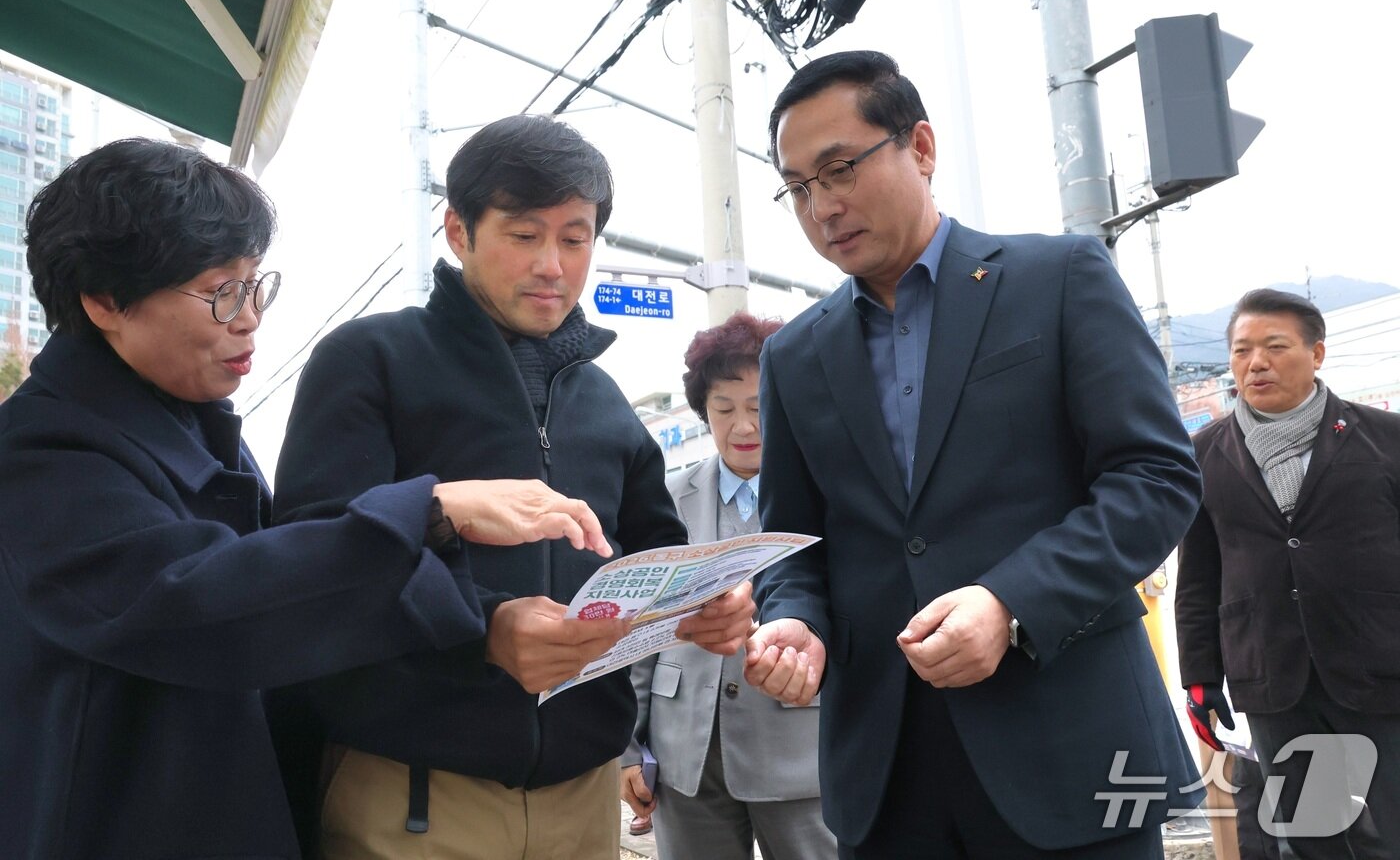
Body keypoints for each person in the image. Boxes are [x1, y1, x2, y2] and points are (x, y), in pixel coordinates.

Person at [0, 138, 614, 859]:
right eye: (221, 290)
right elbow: (200, 602)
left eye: (257, 284)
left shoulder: (191, 423)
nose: (250, 316)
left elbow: (307, 588)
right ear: (105, 301)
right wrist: (431, 510)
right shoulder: (45, 449)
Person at [742, 50, 1204, 859]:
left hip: (1071, 744)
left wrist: (1010, 600)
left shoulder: (1057, 277)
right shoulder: (794, 355)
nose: (822, 206)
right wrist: (792, 620)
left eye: (840, 168)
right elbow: (794, 545)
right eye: (797, 187)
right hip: (886, 773)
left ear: (919, 147)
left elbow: (1156, 479)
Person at [272, 114, 755, 860]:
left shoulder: (606, 401)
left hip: (583, 792)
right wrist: (487, 629)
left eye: (575, 236)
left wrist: (701, 603)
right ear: (459, 231)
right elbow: (317, 560)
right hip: (418, 792)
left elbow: (655, 548)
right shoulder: (370, 360)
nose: (553, 265)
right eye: (525, 235)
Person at [1176, 288, 1400, 858]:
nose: (1256, 363)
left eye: (1276, 347)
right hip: (1274, 674)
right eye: (1242, 350)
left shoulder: (1385, 440)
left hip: (1380, 663)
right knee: (1311, 833)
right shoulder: (1203, 453)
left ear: (1317, 353)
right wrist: (1199, 676)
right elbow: (1198, 576)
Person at [622, 313, 836, 860]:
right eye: (724, 409)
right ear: (704, 413)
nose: (743, 427)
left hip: (799, 750)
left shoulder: (828, 494)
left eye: (760, 408)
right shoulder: (665, 495)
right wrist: (629, 749)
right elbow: (638, 630)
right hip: (684, 756)